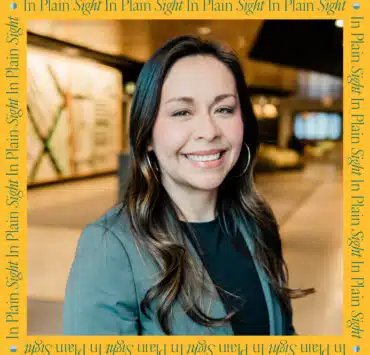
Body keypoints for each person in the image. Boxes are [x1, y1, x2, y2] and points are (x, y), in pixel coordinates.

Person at [63, 36, 304, 335]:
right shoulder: (110, 247)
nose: (208, 131)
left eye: (224, 109)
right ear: (147, 133)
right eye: (182, 112)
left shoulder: (256, 222)